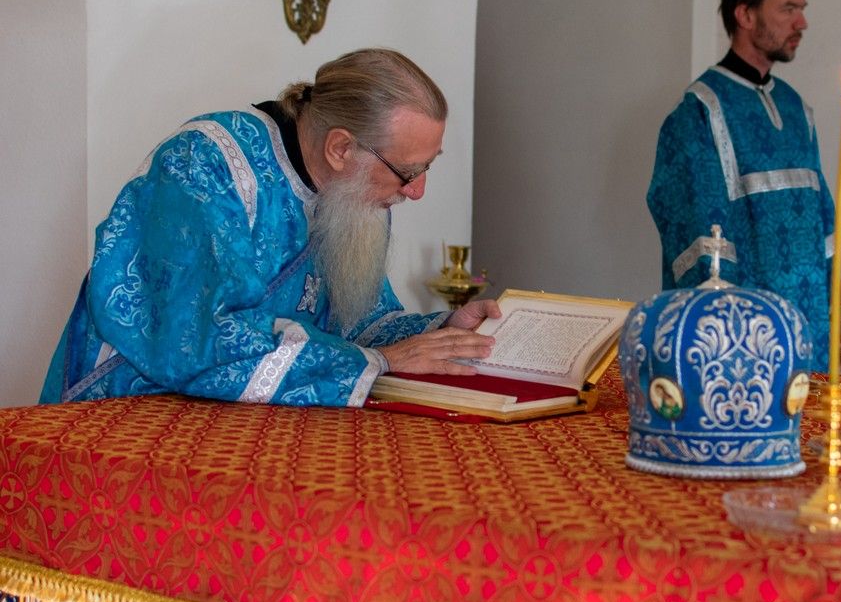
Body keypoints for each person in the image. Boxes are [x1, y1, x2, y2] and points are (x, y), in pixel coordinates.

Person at [41, 48, 499, 407]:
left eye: (427, 167)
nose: (417, 191)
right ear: (341, 148)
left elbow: (357, 325)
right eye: (407, 171)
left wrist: (442, 331)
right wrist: (378, 362)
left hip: (251, 423)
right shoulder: (206, 164)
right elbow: (202, 340)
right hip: (129, 416)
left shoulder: (354, 195)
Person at [647, 0, 841, 367]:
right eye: (788, 9)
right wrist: (726, 333)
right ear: (745, 15)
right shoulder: (698, 112)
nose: (801, 23)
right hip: (743, 342)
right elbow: (699, 233)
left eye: (802, 10)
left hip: (813, 331)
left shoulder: (796, 108)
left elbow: (824, 215)